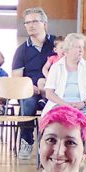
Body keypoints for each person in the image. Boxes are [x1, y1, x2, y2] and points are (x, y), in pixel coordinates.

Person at [12, 8, 57, 155]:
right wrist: (30, 87)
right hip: (31, 91)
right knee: (28, 102)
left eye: (34, 21)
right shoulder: (22, 50)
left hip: (54, 89)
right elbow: (17, 77)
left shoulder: (57, 44)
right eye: (27, 22)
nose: (30, 25)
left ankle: (50, 143)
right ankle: (27, 141)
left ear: (44, 24)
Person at [42, 33, 86, 138]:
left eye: (82, 47)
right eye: (77, 47)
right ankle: (57, 152)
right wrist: (65, 104)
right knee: (54, 122)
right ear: (67, 50)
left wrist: (83, 103)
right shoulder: (56, 67)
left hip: (83, 105)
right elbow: (49, 93)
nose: (81, 50)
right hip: (60, 104)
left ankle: (82, 151)